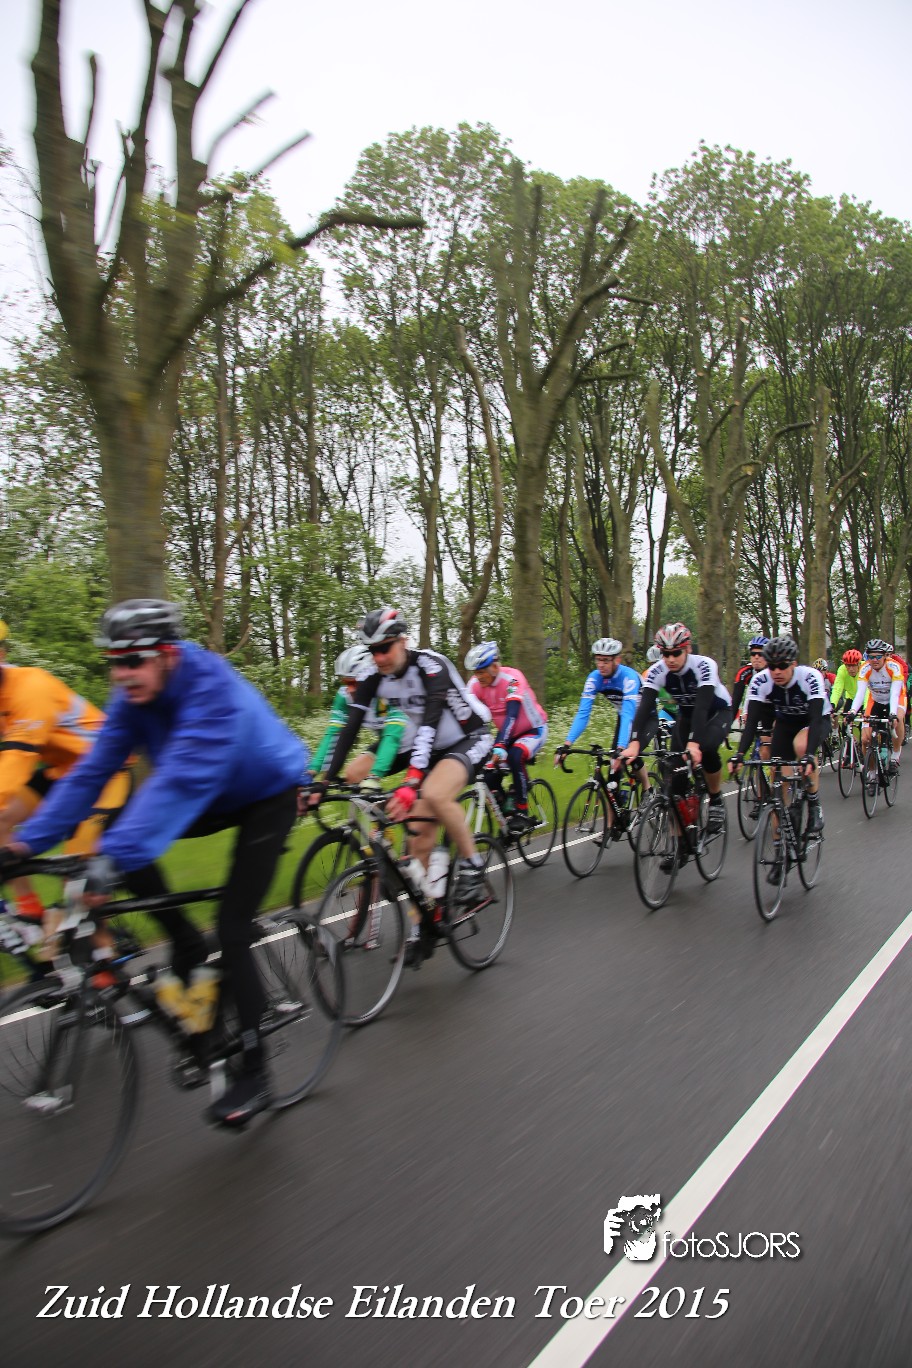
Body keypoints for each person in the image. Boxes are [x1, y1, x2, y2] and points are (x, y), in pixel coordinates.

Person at [0, 599, 308, 1129]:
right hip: (209, 796)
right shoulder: (132, 698)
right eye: (114, 663)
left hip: (266, 795)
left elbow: (181, 780)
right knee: (116, 842)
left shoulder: (209, 686)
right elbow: (90, 773)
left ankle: (256, 1073)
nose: (122, 674)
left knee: (232, 929)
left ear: (168, 653)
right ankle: (185, 942)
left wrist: (112, 859)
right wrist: (25, 846)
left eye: (134, 661)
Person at [310, 607, 492, 932]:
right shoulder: (373, 676)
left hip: (469, 737)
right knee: (418, 837)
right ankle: (425, 925)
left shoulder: (430, 666)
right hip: (433, 750)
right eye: (373, 651)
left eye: (385, 648)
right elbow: (350, 728)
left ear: (403, 641)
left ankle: (473, 866)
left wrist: (411, 782)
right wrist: (322, 781)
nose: (379, 657)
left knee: (435, 793)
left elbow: (429, 726)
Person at [620, 623, 732, 866]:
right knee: (673, 780)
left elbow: (702, 707)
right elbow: (645, 707)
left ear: (687, 649)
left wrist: (694, 744)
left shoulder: (704, 665)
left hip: (716, 713)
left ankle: (715, 799)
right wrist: (635, 743)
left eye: (676, 653)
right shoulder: (657, 671)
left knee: (707, 749)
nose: (670, 659)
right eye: (665, 653)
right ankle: (680, 844)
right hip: (687, 716)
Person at [729, 637, 831, 853]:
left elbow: (815, 719)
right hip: (786, 723)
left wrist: (809, 755)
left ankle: (814, 804)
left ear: (793, 664)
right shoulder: (761, 681)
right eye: (772, 666)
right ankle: (779, 850)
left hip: (813, 720)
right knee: (778, 786)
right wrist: (739, 754)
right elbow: (751, 722)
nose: (776, 671)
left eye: (782, 666)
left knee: (802, 747)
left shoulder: (809, 677)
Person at [465, 641, 548, 836]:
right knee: (487, 775)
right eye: (475, 672)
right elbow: (466, 715)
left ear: (495, 666)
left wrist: (501, 744)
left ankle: (521, 810)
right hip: (507, 734)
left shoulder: (512, 678)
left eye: (482, 672)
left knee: (515, 756)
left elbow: (512, 715)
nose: (478, 676)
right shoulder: (475, 684)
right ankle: (507, 815)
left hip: (533, 730)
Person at [311, 645, 407, 786]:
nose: (349, 690)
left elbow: (392, 736)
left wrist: (375, 775)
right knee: (353, 775)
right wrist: (313, 770)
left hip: (418, 746)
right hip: (390, 746)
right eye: (346, 682)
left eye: (354, 683)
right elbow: (333, 735)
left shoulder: (390, 692)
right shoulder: (344, 696)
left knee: (424, 794)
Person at [848, 639, 906, 770]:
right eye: (871, 657)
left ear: (885, 656)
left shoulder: (895, 667)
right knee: (865, 739)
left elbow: (895, 693)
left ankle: (895, 755)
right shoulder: (865, 669)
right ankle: (872, 772)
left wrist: (892, 714)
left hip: (896, 698)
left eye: (878, 656)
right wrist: (852, 711)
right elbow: (860, 693)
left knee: (898, 718)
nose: (874, 660)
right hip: (875, 700)